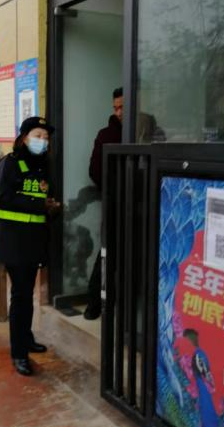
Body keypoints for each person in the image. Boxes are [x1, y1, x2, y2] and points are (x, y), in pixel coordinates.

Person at [0, 116, 61, 376]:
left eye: (46, 137)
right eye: (37, 136)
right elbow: (2, 198)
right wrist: (39, 205)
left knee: (26, 294)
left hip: (33, 241)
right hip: (13, 242)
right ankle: (19, 353)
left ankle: (26, 338)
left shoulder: (42, 166)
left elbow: (42, 199)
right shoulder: (10, 163)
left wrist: (51, 207)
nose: (42, 141)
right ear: (23, 138)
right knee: (20, 297)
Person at [83, 87, 123, 320]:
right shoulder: (106, 134)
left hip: (144, 204)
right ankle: (95, 303)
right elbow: (95, 170)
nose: (118, 112)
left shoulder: (148, 130)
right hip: (116, 203)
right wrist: (114, 189)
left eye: (122, 107)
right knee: (109, 253)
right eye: (115, 108)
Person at [183, 329, 219, 427]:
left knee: (205, 406)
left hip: (202, 385)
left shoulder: (198, 355)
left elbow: (206, 373)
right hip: (200, 385)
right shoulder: (198, 354)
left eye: (187, 340)